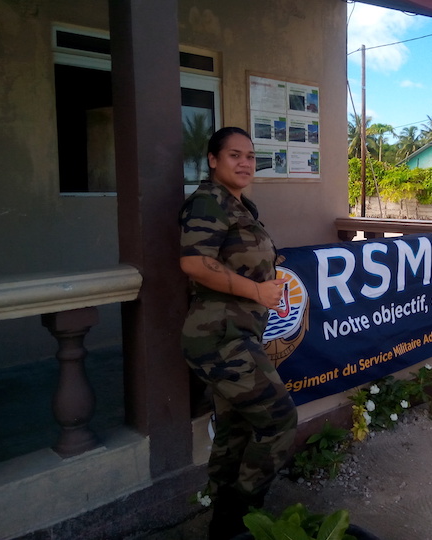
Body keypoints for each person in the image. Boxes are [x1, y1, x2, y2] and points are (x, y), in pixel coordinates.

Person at [179, 127, 297, 540]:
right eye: (234, 155)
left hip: (239, 332)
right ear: (213, 160)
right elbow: (194, 263)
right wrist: (258, 291)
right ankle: (242, 515)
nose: (245, 163)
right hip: (218, 337)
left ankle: (224, 524)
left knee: (238, 428)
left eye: (250, 156)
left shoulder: (241, 205)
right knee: (279, 420)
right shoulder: (208, 202)